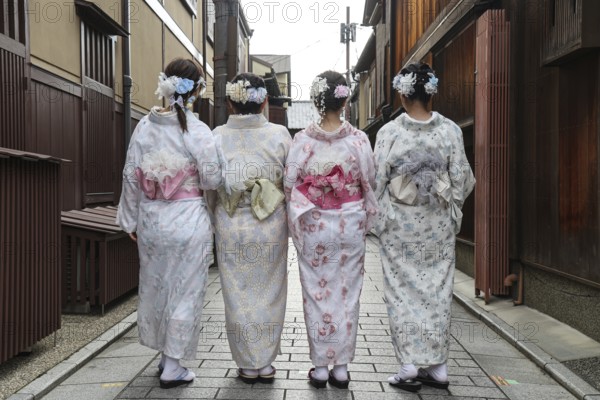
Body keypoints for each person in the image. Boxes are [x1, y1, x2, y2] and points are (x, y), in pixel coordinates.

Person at [116, 58, 222, 389]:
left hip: (151, 220)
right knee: (186, 291)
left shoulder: (144, 126)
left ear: (166, 85)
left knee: (157, 287)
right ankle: (173, 365)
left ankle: (164, 356)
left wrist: (129, 219)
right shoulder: (197, 130)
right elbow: (213, 178)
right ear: (196, 90)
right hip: (188, 219)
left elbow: (131, 174)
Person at [373, 63, 475, 392]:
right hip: (437, 223)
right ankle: (439, 366)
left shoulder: (390, 132)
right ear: (431, 91)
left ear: (402, 92)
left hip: (401, 224)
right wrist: (452, 209)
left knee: (401, 292)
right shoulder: (450, 131)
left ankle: (408, 366)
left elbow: (376, 180)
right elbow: (462, 179)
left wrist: (378, 217)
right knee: (438, 291)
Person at [284, 71, 378, 389]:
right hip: (349, 224)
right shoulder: (358, 140)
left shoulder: (302, 141)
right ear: (345, 99)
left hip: (314, 224)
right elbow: (370, 180)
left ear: (315, 101)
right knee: (347, 293)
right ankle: (342, 368)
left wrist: (297, 217)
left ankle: (320, 367)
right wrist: (367, 216)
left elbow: (289, 184)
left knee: (316, 292)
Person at [208, 73, 291, 383]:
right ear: (264, 101)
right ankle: (265, 362)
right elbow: (292, 183)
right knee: (270, 289)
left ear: (230, 102)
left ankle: (246, 362)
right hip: (270, 221)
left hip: (230, 220)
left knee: (236, 291)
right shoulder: (281, 134)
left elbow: (209, 185)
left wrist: (211, 215)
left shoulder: (216, 136)